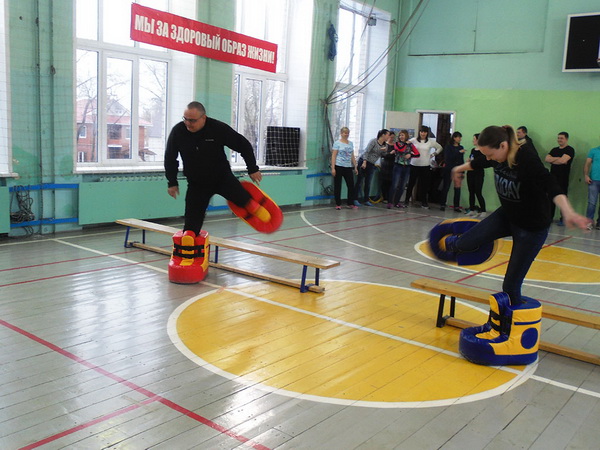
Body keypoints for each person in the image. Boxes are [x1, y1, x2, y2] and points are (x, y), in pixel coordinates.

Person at [448, 125, 590, 306]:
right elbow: (479, 162)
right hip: (507, 215)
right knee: (464, 243)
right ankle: (459, 243)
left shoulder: (527, 158)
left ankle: (511, 320)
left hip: (531, 228)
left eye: (490, 154)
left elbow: (551, 184)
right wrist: (457, 169)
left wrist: (568, 211)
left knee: (510, 287)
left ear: (503, 146)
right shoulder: (496, 155)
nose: (489, 158)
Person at [164, 101, 263, 235]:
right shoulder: (178, 131)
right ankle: (190, 243)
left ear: (203, 118)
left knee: (246, 202)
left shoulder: (217, 128)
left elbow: (243, 145)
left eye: (192, 120)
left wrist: (252, 168)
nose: (188, 123)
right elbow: (170, 157)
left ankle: (261, 213)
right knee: (191, 225)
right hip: (197, 184)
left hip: (223, 179)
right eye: (185, 119)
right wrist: (172, 182)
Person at [404, 126, 442, 209]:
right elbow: (405, 145)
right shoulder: (413, 140)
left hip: (425, 166)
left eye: (425, 132)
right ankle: (406, 201)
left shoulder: (430, 142)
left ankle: (424, 202)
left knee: (424, 185)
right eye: (421, 132)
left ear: (427, 133)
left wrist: (433, 155)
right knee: (411, 184)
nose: (423, 133)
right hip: (414, 165)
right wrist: (409, 153)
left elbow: (440, 148)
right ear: (419, 132)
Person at [354, 129, 390, 206]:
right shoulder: (373, 141)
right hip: (364, 161)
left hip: (371, 164)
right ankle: (355, 199)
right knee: (359, 181)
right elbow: (366, 151)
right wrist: (364, 162)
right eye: (387, 135)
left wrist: (385, 151)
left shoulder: (385, 145)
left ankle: (366, 200)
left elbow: (383, 155)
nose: (388, 137)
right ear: (383, 135)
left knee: (368, 182)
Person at [545, 132, 575, 225]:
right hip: (552, 178)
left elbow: (563, 160)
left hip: (563, 178)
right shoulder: (554, 149)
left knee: (563, 198)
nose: (559, 140)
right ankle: (549, 217)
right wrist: (559, 159)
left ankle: (563, 219)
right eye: (558, 138)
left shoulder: (570, 150)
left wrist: (554, 159)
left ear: (566, 139)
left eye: (561, 138)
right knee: (550, 198)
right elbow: (546, 159)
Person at [387, 129, 419, 208]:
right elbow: (401, 149)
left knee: (402, 186)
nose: (401, 137)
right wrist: (406, 143)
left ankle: (396, 202)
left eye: (403, 135)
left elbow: (417, 154)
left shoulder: (410, 145)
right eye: (400, 135)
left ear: (406, 136)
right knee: (395, 185)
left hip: (407, 166)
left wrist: (411, 155)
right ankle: (390, 202)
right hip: (398, 166)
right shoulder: (397, 144)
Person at [331, 127, 358, 210]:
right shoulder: (337, 143)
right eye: (345, 133)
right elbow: (334, 156)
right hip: (339, 166)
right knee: (338, 185)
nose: (346, 134)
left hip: (348, 167)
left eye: (347, 133)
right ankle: (338, 203)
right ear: (341, 133)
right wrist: (333, 168)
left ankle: (350, 203)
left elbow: (352, 156)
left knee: (351, 185)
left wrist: (355, 166)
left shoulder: (350, 143)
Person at [439, 131, 465, 212]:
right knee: (446, 187)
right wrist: (458, 152)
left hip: (458, 170)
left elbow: (461, 160)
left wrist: (463, 170)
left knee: (457, 188)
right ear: (454, 138)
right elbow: (448, 158)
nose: (460, 139)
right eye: (458, 137)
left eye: (460, 137)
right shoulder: (448, 147)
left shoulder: (461, 147)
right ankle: (442, 204)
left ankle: (456, 206)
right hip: (449, 169)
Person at [465, 133, 487, 218]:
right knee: (471, 192)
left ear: (478, 140)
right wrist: (469, 161)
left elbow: (481, 162)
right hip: (470, 173)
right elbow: (472, 159)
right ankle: (472, 209)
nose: (473, 141)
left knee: (478, 192)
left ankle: (483, 210)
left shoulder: (483, 151)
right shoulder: (473, 150)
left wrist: (473, 162)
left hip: (478, 173)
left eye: (474, 139)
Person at [584, 142, 600, 229]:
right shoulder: (593, 151)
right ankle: (589, 222)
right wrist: (586, 175)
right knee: (591, 203)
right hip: (594, 180)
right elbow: (587, 164)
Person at [380, 131, 397, 204]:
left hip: (393, 165)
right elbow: (382, 155)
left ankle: (390, 197)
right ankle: (384, 197)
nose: (391, 139)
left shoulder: (395, 145)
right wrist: (390, 153)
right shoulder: (384, 145)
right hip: (385, 165)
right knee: (384, 182)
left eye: (393, 137)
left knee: (391, 182)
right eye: (390, 137)